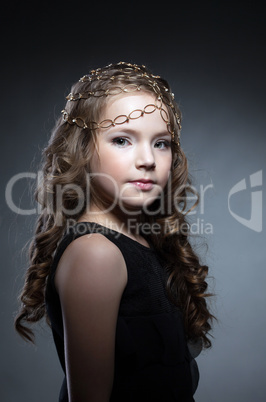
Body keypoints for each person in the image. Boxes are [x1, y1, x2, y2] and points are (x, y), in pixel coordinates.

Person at [15, 61, 214, 401]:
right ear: (82, 149)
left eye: (161, 143)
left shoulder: (142, 241)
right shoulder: (96, 253)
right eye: (122, 140)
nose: (147, 159)